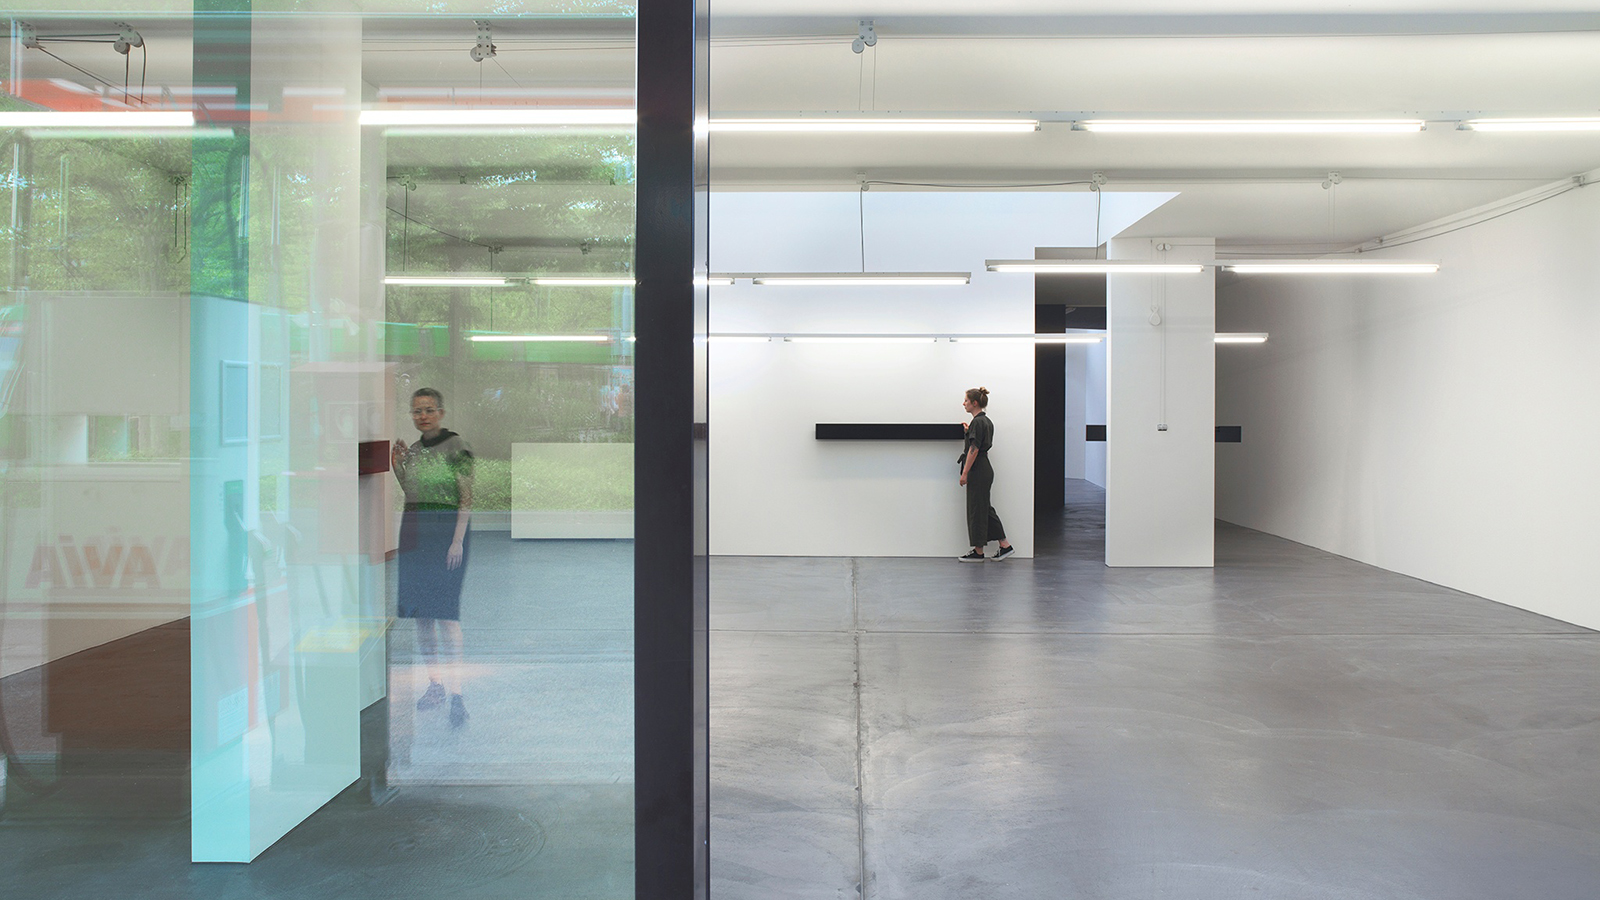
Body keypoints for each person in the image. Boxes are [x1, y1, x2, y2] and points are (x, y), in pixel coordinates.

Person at [392, 388, 474, 727]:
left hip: (445, 536)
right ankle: (434, 685)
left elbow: (467, 497)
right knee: (423, 616)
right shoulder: (412, 451)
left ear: (440, 412)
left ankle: (457, 694)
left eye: (428, 410)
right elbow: (412, 492)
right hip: (414, 533)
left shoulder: (458, 447)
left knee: (446, 616)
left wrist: (456, 542)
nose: (422, 416)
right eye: (416, 411)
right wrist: (398, 467)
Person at [958, 387, 1015, 562]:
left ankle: (979, 551)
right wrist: (969, 432)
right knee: (983, 508)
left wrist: (965, 473)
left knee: (977, 509)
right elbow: (978, 443)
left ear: (974, 403)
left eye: (966, 400)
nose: (964, 403)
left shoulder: (978, 423)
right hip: (984, 468)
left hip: (978, 469)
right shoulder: (985, 421)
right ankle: (1003, 546)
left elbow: (974, 450)